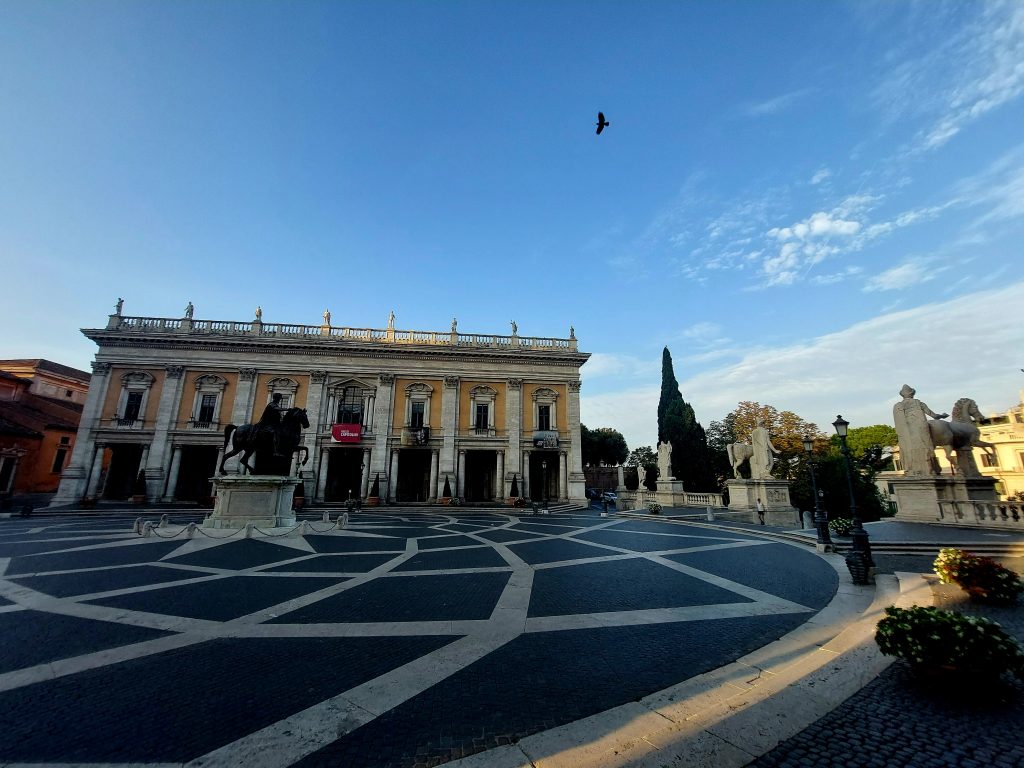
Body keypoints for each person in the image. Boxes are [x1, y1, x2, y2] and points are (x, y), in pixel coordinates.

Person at [893, 385, 948, 475]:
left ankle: (913, 469)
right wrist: (942, 416)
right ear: (912, 394)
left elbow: (899, 423)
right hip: (922, 427)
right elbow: (934, 416)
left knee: (911, 449)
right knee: (927, 446)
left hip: (909, 431)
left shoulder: (898, 406)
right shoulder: (918, 403)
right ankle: (931, 469)